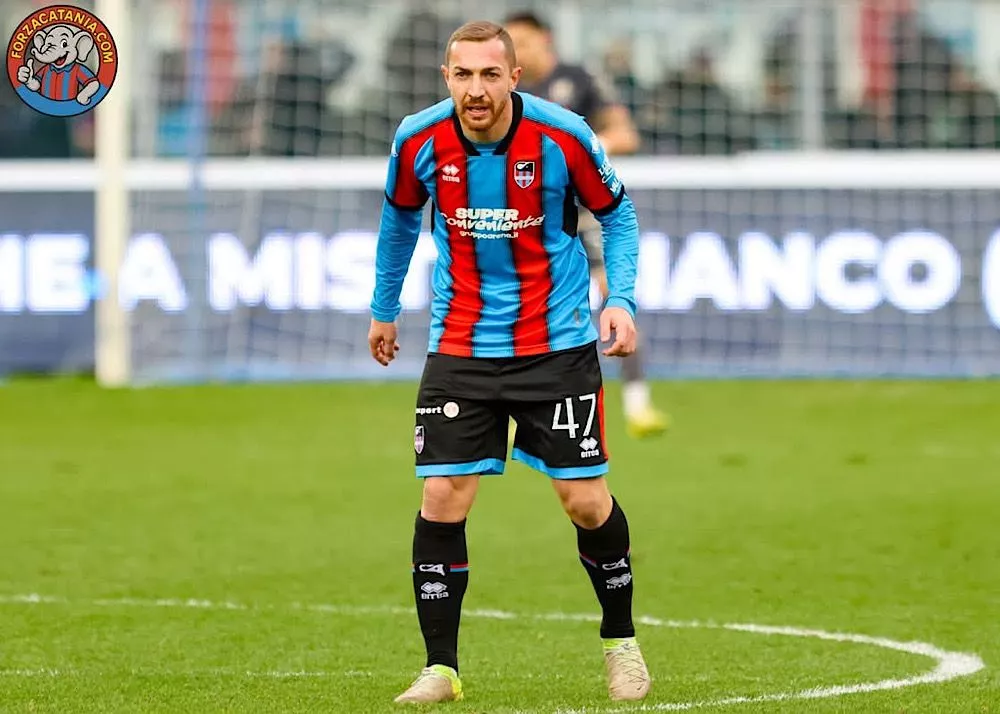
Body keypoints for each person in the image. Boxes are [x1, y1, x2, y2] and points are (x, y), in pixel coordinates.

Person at [367, 20, 651, 706]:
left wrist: (623, 298)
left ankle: (621, 642)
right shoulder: (418, 139)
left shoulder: (563, 136)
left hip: (556, 345)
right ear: (446, 78)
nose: (476, 89)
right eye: (463, 75)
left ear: (514, 78)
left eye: (490, 75)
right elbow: (400, 221)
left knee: (584, 502)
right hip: (460, 345)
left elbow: (618, 213)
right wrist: (383, 308)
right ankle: (441, 668)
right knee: (442, 496)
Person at [503, 11, 668, 439]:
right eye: (510, 41)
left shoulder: (577, 80)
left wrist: (580, 153)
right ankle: (512, 405)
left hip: (582, 209)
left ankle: (638, 404)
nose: (517, 48)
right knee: (519, 300)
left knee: (612, 294)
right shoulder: (504, 90)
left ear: (547, 39)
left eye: (524, 39)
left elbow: (626, 136)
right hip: (526, 215)